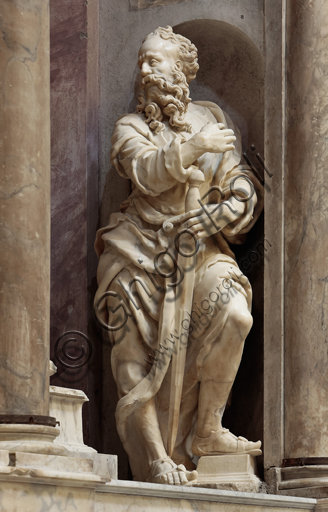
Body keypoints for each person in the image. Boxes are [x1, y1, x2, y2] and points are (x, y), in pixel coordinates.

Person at [94, 26, 263, 486]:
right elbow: (147, 170)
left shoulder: (212, 117)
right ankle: (154, 457)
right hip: (137, 250)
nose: (145, 71)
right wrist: (194, 147)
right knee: (133, 353)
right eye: (141, 63)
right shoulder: (130, 127)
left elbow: (239, 180)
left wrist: (234, 201)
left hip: (199, 248)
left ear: (181, 69)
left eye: (155, 61)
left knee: (234, 314)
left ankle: (208, 429)